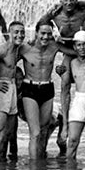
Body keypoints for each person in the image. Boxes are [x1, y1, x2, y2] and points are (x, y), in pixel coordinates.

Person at [19, 21, 61, 160]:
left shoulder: (54, 46)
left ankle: (41, 164)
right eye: (42, 33)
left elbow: (76, 50)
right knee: (35, 133)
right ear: (36, 33)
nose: (45, 37)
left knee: (43, 130)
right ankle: (34, 169)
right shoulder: (25, 48)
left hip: (47, 88)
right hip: (30, 88)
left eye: (49, 34)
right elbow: (6, 59)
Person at [0, 21, 26, 162]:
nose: (19, 35)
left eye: (22, 32)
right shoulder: (1, 49)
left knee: (8, 133)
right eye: (16, 32)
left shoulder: (17, 50)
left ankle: (2, 169)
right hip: (1, 88)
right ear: (9, 33)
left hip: (12, 88)